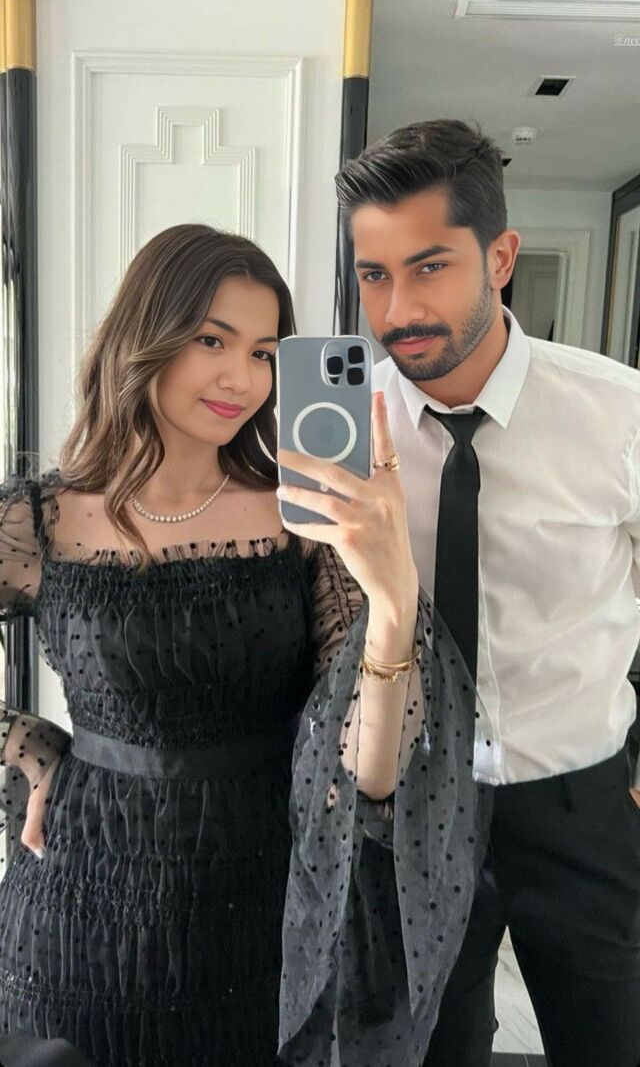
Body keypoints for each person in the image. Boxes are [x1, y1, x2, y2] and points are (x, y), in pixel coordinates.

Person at [0, 223, 484, 1066]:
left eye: (264, 353)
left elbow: (371, 775)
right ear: (144, 336)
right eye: (211, 340)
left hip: (262, 906)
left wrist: (392, 596)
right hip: (77, 908)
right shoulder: (39, 519)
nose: (241, 379)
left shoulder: (304, 524)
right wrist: (27, 744)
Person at [329, 118, 640, 1067]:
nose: (398, 309)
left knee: (610, 1038)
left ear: (500, 257)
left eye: (430, 267)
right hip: (414, 806)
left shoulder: (621, 414)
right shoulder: (346, 426)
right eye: (374, 275)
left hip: (584, 798)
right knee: (434, 1048)